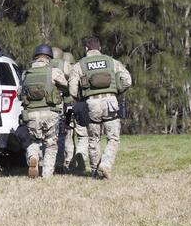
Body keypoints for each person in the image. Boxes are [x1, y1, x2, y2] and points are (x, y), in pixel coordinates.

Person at [68, 36, 133, 178]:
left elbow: (72, 90)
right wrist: (116, 91)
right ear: (100, 48)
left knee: (93, 139)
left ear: (86, 49)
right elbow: (127, 81)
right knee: (113, 138)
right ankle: (106, 165)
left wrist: (81, 98)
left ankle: (95, 171)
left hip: (91, 103)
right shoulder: (111, 61)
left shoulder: (79, 65)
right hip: (111, 102)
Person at [16, 44, 68, 178]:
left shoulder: (25, 74)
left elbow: (19, 93)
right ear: (49, 57)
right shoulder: (54, 71)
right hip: (50, 113)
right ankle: (47, 174)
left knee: (33, 141)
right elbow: (65, 86)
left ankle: (33, 157)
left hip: (31, 114)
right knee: (50, 144)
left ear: (36, 57)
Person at [52, 48, 89, 175]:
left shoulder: (51, 67)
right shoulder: (70, 68)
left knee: (66, 134)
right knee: (81, 135)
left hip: (64, 108)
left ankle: (64, 161)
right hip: (75, 106)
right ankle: (76, 158)